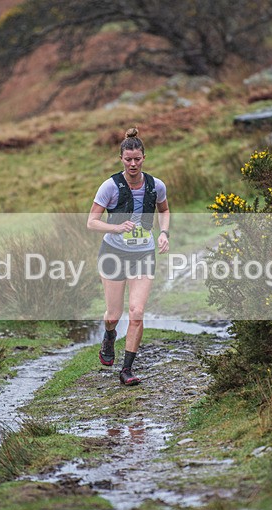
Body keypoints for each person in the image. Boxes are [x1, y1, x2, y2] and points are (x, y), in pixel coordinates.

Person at [87, 127, 170, 386]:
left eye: (137, 159)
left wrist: (164, 233)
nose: (133, 164)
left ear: (144, 157)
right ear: (121, 159)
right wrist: (116, 227)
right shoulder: (109, 186)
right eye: (128, 159)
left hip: (143, 253)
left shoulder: (156, 185)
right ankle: (109, 336)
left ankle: (127, 369)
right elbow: (92, 222)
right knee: (114, 314)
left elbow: (165, 210)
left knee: (137, 311)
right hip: (113, 253)